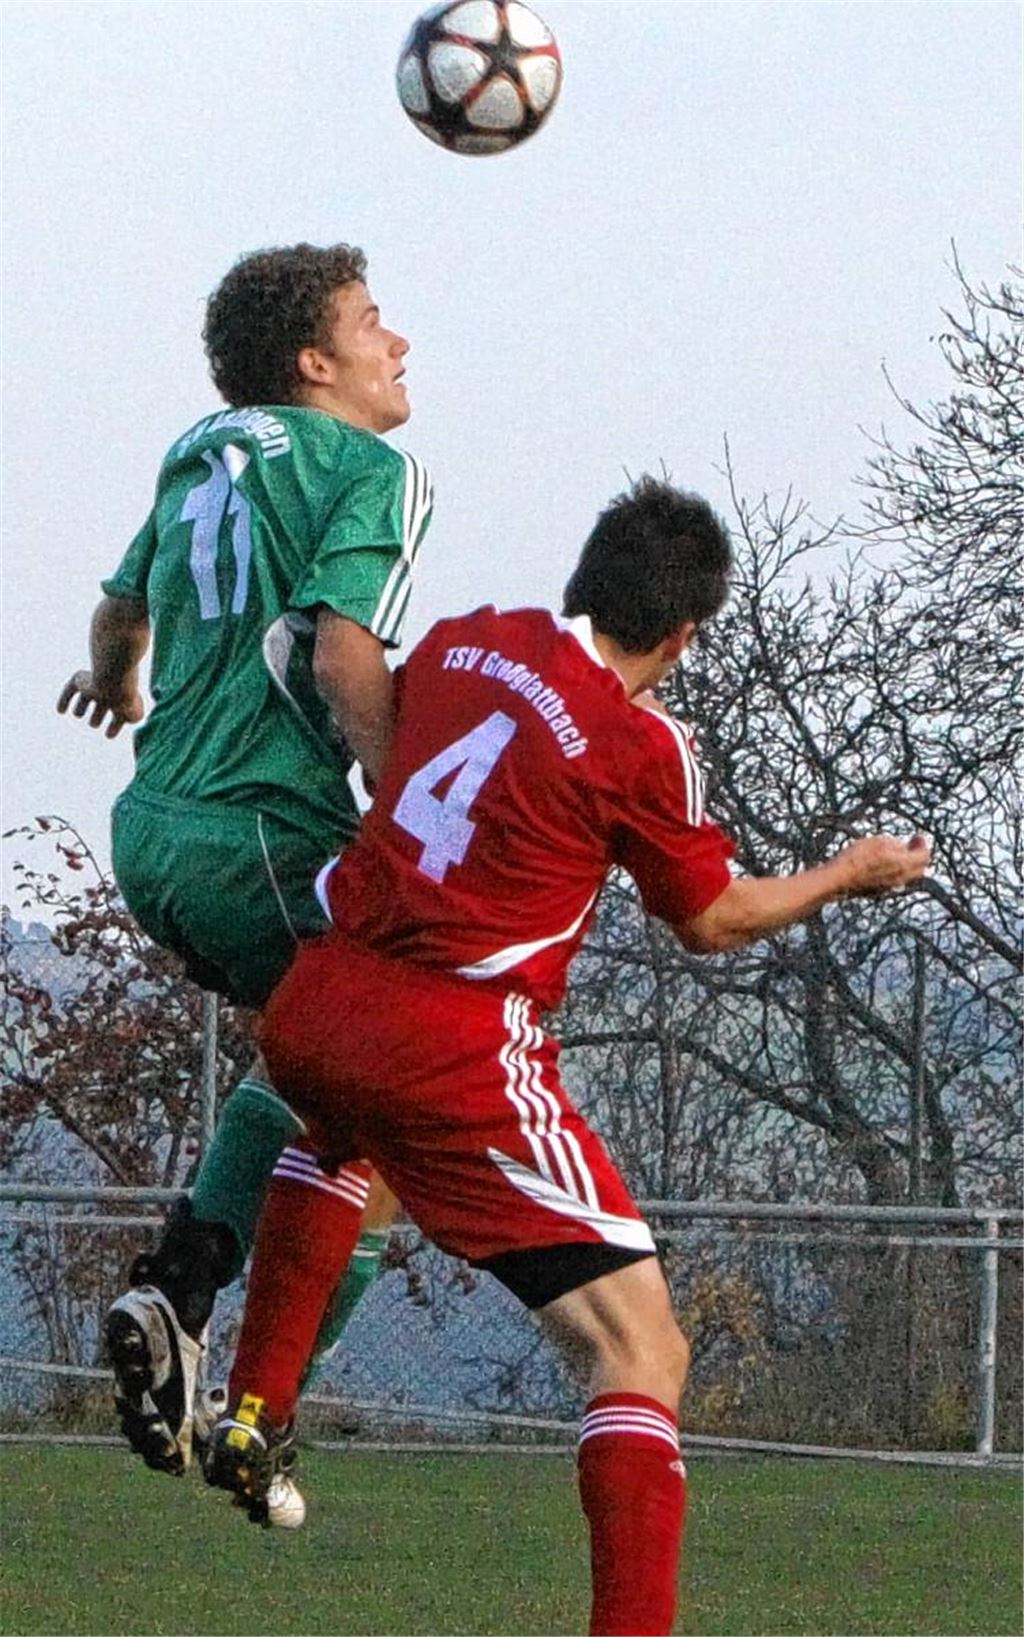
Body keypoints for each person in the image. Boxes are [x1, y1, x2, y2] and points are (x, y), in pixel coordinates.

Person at [200, 475, 931, 1631]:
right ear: (684, 634)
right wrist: (849, 870)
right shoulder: (637, 743)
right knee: (643, 1347)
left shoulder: (470, 637)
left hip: (324, 995)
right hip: (451, 1043)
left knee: (345, 1136)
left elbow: (381, 712)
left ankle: (254, 1403)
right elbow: (708, 916)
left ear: (584, 572)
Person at [57, 241, 432, 1525]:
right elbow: (342, 652)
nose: (401, 344)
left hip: (153, 830)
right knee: (387, 1065)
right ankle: (198, 1317)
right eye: (374, 322)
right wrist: (412, 817)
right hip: (263, 831)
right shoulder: (367, 466)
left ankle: (237, 1387)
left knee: (348, 1110)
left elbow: (119, 617)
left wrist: (121, 686)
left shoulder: (197, 452)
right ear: (315, 361)